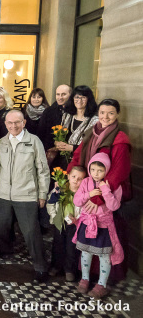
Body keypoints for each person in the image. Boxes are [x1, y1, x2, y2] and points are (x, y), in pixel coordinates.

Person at [67, 99, 131, 282]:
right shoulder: (92, 133)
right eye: (102, 112)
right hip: (87, 190)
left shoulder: (119, 139)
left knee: (106, 242)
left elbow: (118, 173)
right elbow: (78, 155)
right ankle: (85, 275)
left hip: (105, 198)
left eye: (111, 113)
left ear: (117, 114)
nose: (105, 117)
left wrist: (97, 199)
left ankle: (103, 279)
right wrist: (69, 177)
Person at [0, 110, 50, 282]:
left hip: (26, 195)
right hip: (2, 193)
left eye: (17, 122)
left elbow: (43, 170)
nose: (13, 126)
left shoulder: (34, 142)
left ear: (24, 122)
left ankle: (40, 266)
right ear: (5, 124)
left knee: (31, 232)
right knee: (0, 227)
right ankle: (5, 249)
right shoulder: (1, 143)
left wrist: (42, 194)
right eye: (9, 123)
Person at [73, 153, 124, 299]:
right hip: (87, 224)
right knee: (86, 253)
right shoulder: (86, 182)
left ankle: (101, 285)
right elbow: (77, 201)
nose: (96, 174)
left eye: (100, 170)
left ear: (107, 170)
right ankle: (85, 279)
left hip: (103, 226)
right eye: (93, 169)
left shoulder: (112, 185)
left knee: (104, 256)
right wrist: (89, 194)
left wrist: (106, 190)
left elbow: (114, 206)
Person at [46, 166, 86, 282]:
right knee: (58, 245)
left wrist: (77, 219)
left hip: (74, 225)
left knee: (72, 248)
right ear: (68, 176)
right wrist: (54, 217)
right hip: (60, 222)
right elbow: (51, 203)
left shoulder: (83, 194)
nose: (75, 180)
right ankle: (56, 266)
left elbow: (85, 210)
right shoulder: (60, 190)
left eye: (80, 179)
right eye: (73, 177)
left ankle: (70, 270)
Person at [55, 85, 98, 168]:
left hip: (81, 161)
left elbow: (92, 145)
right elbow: (60, 136)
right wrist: (57, 143)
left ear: (89, 99)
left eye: (83, 97)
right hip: (63, 160)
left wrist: (71, 148)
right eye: (77, 97)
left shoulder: (94, 121)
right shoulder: (67, 116)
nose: (79, 100)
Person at [38, 84, 71, 152]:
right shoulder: (49, 111)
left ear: (70, 95)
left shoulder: (75, 112)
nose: (60, 97)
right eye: (58, 94)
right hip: (50, 151)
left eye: (63, 94)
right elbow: (41, 133)